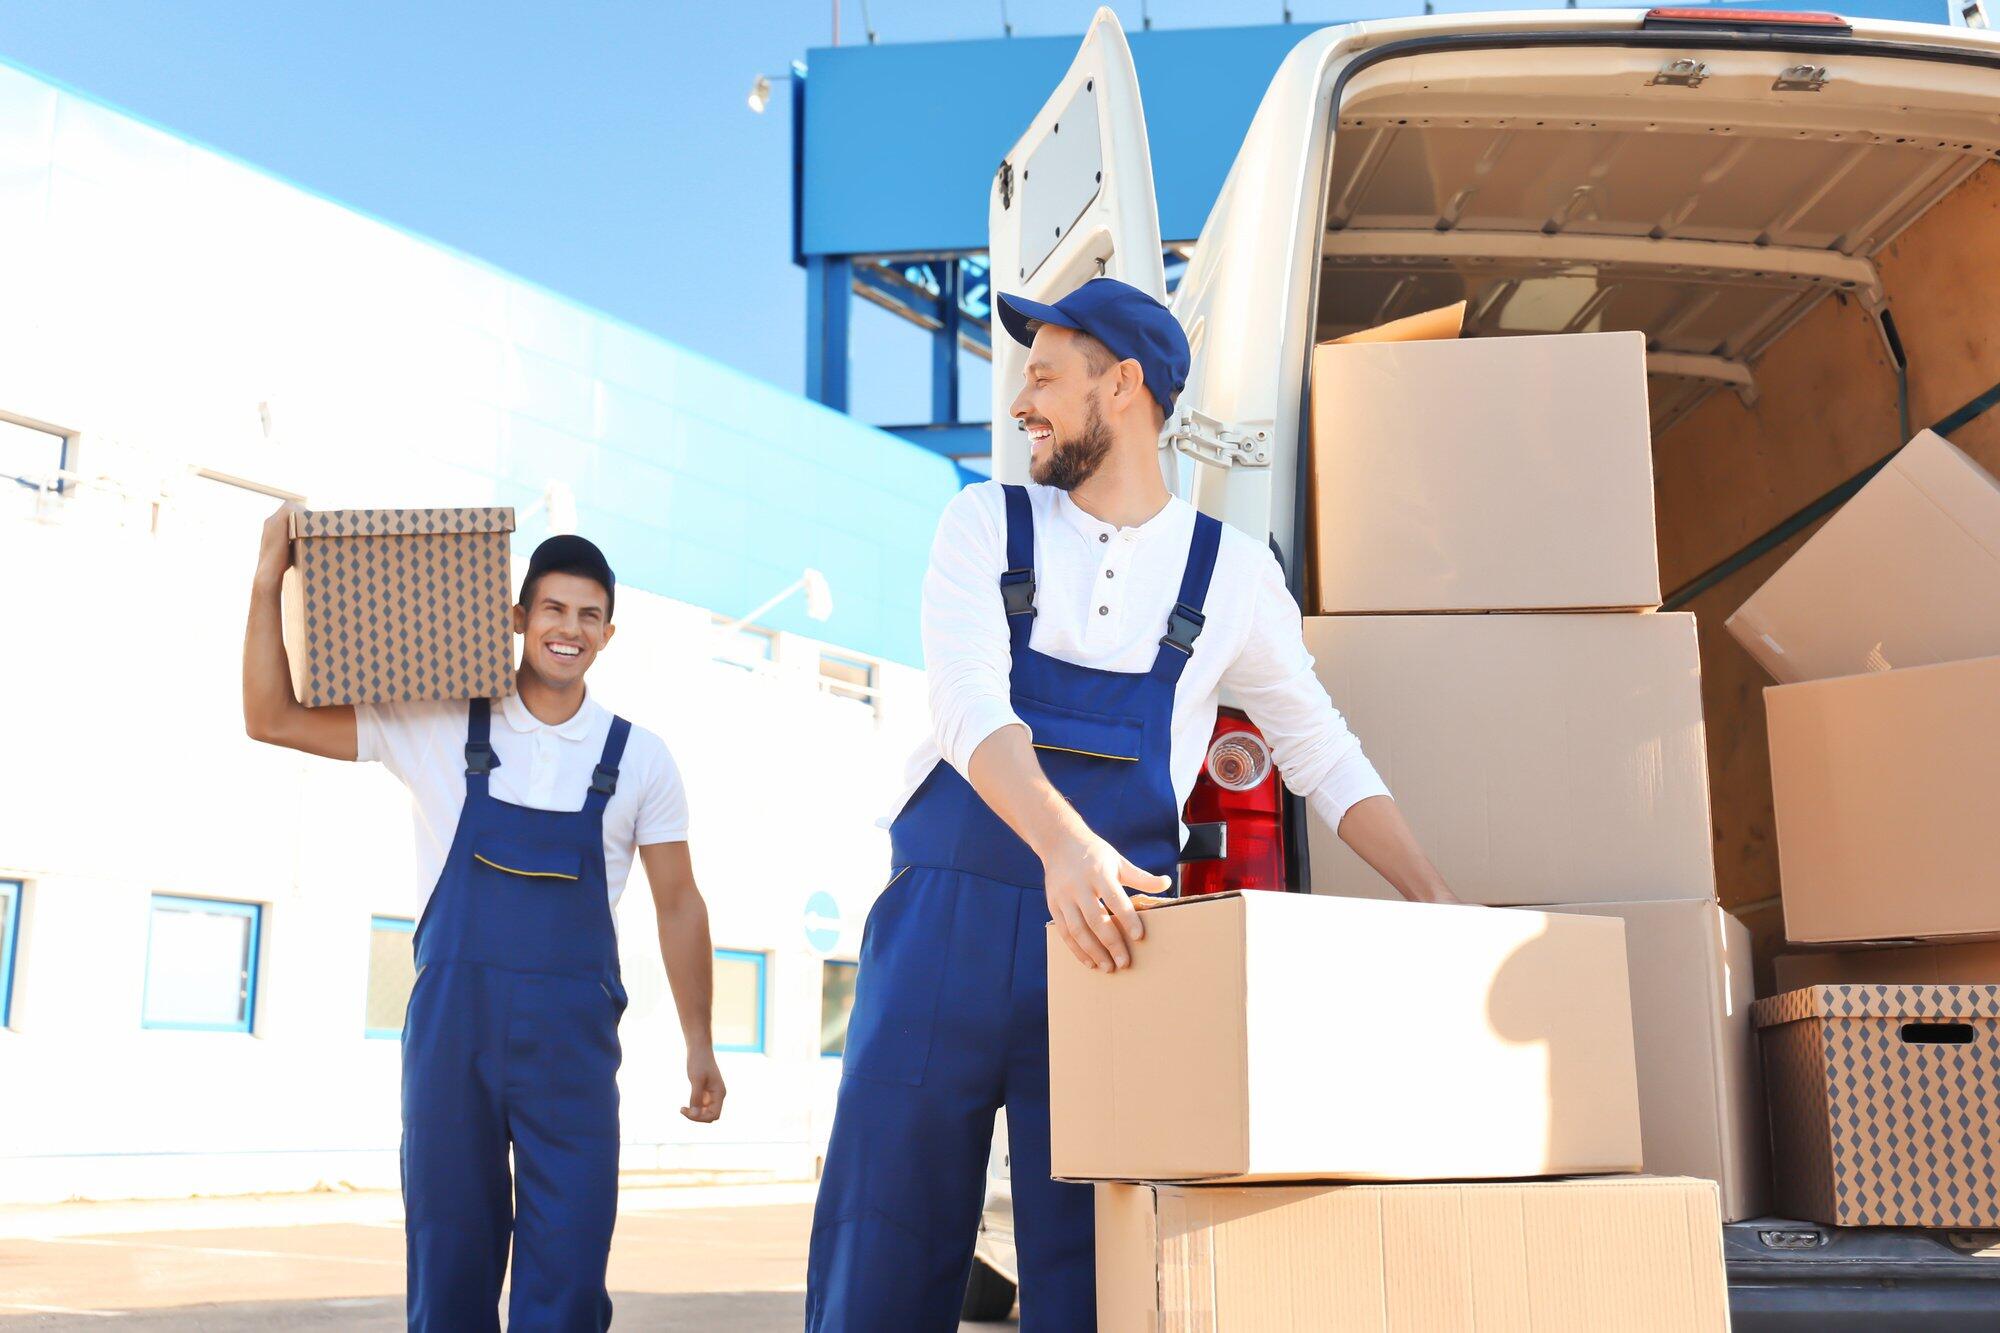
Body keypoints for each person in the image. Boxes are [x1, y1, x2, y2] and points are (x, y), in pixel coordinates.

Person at [804, 277, 1458, 1330]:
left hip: (1109, 955)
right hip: (943, 933)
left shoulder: (1231, 574)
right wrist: (1064, 846)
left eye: (1045, 377)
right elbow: (968, 704)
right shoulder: (982, 524)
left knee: (1094, 1271)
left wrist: (1431, 898)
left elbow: (1318, 749)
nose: (1022, 403)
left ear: (1123, 386)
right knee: (880, 1240)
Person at [242, 513, 725, 1332]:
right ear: (517, 617)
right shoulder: (434, 721)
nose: (568, 629)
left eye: (587, 615)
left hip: (571, 1051)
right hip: (452, 1041)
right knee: (450, 1269)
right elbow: (273, 717)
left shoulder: (640, 757)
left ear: (609, 632)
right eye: (552, 609)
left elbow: (678, 901)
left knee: (568, 1278)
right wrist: (267, 580)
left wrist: (700, 1041)